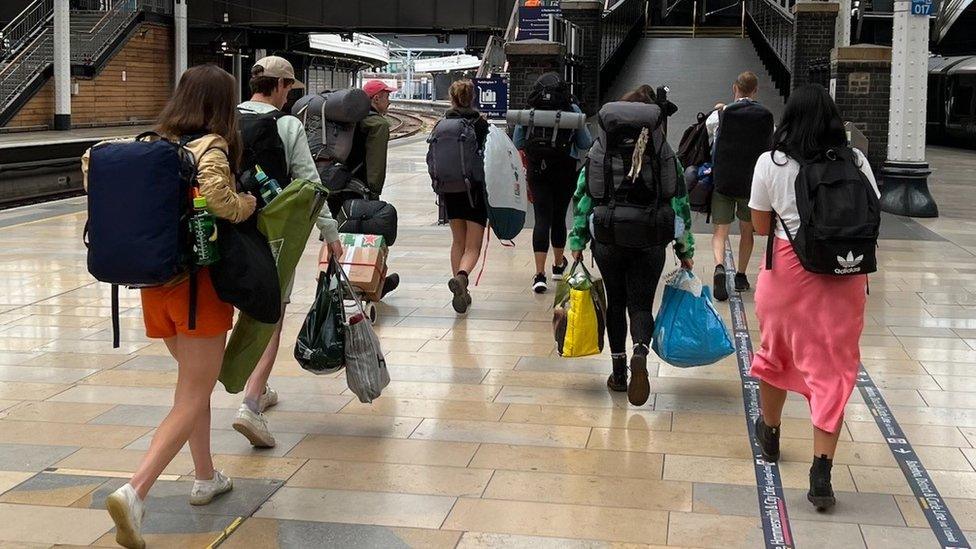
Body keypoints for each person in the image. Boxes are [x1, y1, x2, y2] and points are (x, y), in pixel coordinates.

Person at [85, 64, 258, 549]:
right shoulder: (211, 147)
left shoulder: (148, 144)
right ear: (222, 106)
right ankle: (135, 491)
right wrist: (248, 202)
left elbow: (91, 175)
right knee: (191, 395)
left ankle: (206, 476)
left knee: (192, 389)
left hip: (153, 285)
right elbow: (223, 204)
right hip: (198, 289)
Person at [748, 84, 879, 511]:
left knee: (776, 353)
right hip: (845, 275)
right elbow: (872, 215)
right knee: (833, 368)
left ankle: (770, 433)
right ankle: (821, 469)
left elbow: (761, 227)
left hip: (788, 273)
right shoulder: (856, 161)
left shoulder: (772, 161)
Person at [232, 56, 344, 449]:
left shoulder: (227, 119)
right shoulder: (287, 125)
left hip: (227, 230)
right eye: (288, 89)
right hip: (272, 235)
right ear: (279, 86)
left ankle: (253, 391)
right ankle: (250, 402)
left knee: (233, 313)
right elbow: (311, 186)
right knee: (271, 318)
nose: (288, 97)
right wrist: (330, 233)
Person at [569, 85, 694, 406]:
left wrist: (578, 240)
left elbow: (584, 197)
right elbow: (679, 202)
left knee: (615, 303)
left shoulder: (601, 149)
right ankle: (641, 350)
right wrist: (685, 249)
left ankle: (619, 372)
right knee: (641, 304)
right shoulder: (663, 152)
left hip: (609, 238)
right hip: (651, 238)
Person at [514, 72, 593, 294]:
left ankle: (539, 275)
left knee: (541, 218)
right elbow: (585, 142)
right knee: (559, 217)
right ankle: (558, 266)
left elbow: (518, 142)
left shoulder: (530, 111)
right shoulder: (572, 110)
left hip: (538, 170)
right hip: (565, 170)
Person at [707, 71, 773, 301]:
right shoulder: (766, 116)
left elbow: (710, 138)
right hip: (751, 183)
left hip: (724, 180)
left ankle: (718, 266)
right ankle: (741, 276)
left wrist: (720, 110)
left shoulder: (720, 115)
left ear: (735, 88)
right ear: (756, 90)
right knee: (747, 230)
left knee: (720, 231)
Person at [344, 78, 401, 296]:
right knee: (367, 238)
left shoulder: (350, 119)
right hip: (361, 188)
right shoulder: (377, 124)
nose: (389, 102)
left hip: (338, 183)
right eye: (387, 97)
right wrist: (374, 192)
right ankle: (370, 285)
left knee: (342, 235)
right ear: (376, 98)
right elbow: (376, 165)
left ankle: (335, 281)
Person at [437, 79, 490, 314]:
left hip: (449, 189)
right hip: (474, 190)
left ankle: (461, 289)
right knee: (473, 246)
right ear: (472, 98)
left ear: (452, 98)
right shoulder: (480, 124)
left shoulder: (442, 124)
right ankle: (462, 278)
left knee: (457, 241)